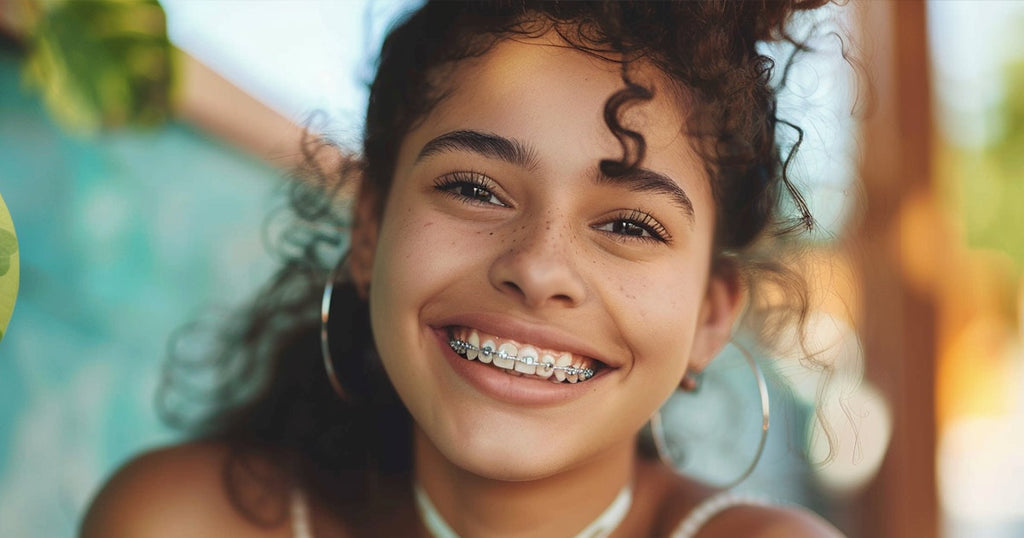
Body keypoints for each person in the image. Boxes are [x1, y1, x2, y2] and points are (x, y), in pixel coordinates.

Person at [81, 1, 845, 536]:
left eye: (628, 224)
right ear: (370, 232)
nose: (538, 267)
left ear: (711, 315)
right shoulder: (174, 523)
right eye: (474, 188)